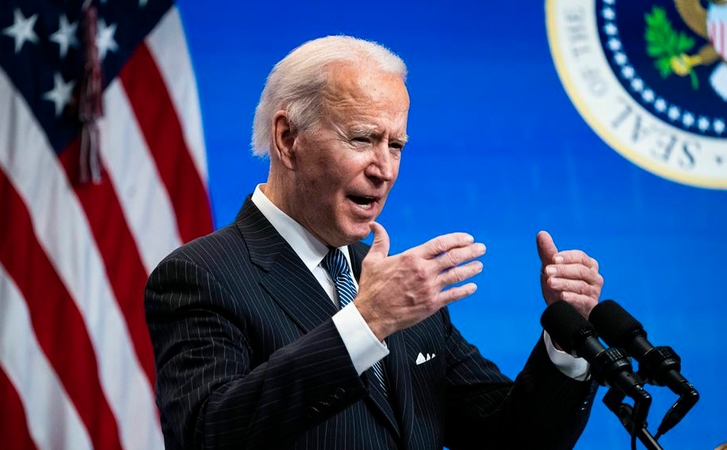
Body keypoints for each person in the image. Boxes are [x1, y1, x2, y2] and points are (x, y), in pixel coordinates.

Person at [145, 35, 603, 450]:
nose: (384, 169)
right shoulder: (202, 276)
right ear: (287, 139)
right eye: (363, 138)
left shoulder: (401, 291)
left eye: (396, 145)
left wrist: (564, 339)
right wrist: (366, 323)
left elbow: (511, 439)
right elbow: (205, 436)